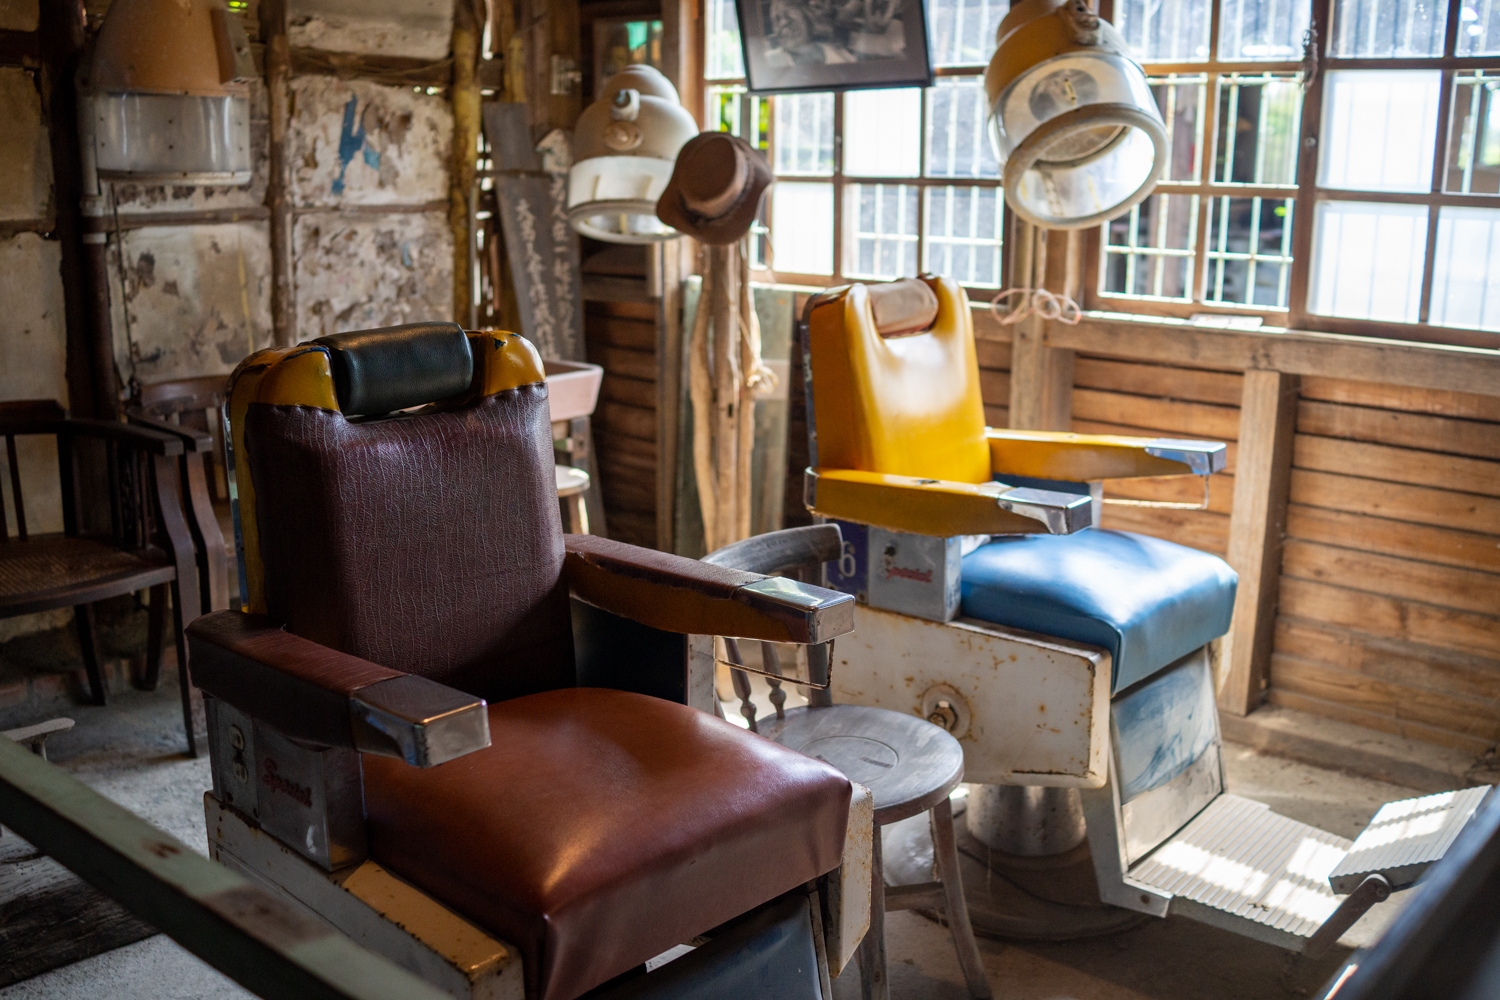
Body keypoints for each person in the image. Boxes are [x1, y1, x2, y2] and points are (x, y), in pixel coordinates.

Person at [764, 0, 855, 66]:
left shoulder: (843, 59)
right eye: (776, 20)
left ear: (809, 18)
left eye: (788, 15)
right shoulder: (767, 62)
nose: (783, 23)